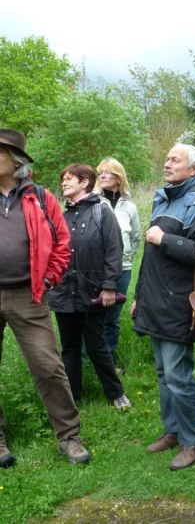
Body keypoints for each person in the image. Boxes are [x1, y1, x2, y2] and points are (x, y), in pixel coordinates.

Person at [132, 143, 195, 470]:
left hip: (180, 302)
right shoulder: (163, 197)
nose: (167, 163)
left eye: (174, 159)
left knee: (178, 375)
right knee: (162, 373)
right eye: (167, 157)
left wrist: (164, 239)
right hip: (155, 299)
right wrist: (138, 297)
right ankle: (173, 431)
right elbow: (151, 260)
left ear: (194, 169)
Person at [0, 129, 89, 467]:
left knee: (49, 367)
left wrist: (49, 277)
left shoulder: (39, 197)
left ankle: (69, 436)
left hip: (29, 295)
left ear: (15, 160)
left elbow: (62, 243)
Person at [48, 164, 131, 410]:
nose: (64, 183)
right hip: (64, 293)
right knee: (70, 348)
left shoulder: (101, 212)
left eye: (69, 179)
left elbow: (115, 251)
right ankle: (74, 396)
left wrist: (108, 286)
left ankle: (115, 393)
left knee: (96, 346)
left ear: (85, 182)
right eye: (63, 179)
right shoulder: (62, 216)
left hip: (92, 292)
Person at [95, 158, 141, 369]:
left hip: (122, 269)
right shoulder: (93, 202)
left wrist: (127, 258)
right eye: (100, 173)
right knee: (93, 318)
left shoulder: (129, 207)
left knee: (112, 318)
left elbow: (136, 237)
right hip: (96, 269)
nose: (102, 176)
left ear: (118, 177)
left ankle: (108, 361)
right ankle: (90, 361)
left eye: (108, 172)